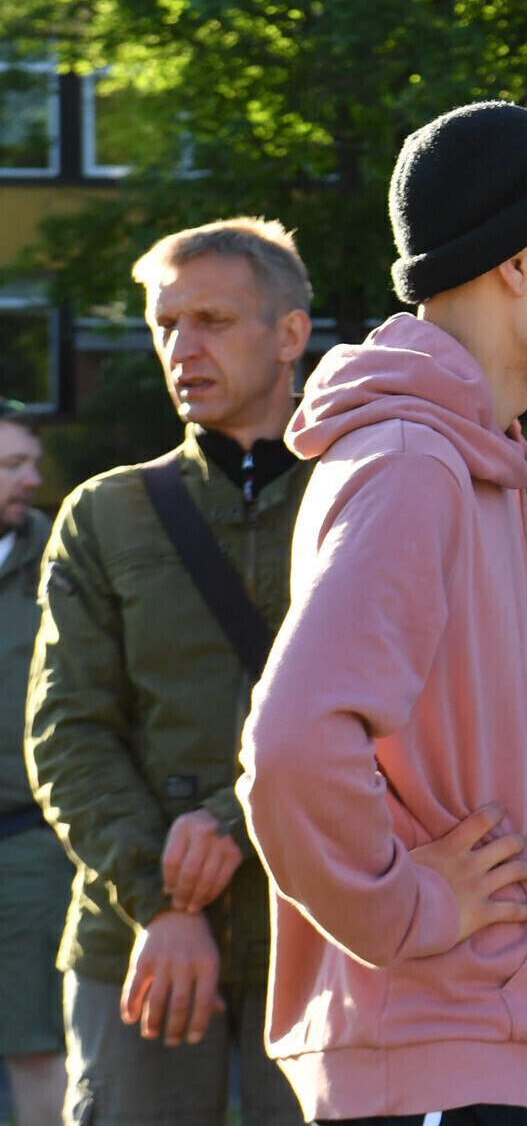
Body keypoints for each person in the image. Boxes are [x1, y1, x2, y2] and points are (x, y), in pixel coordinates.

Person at [236, 100, 527, 1125]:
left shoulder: (465, 452)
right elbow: (291, 745)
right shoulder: (413, 462)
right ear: (517, 263)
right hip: (438, 1048)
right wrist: (410, 909)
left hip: (477, 1044)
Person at [25, 218, 315, 1126]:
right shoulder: (105, 514)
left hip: (321, 929)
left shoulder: (366, 492)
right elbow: (67, 731)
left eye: (213, 320)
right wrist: (163, 904)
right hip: (138, 940)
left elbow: (399, 711)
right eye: (165, 325)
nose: (182, 347)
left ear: (290, 334)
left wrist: (228, 820)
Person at [0, 404, 65, 1126]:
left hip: (25, 848)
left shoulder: (61, 561)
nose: (31, 479)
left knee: (37, 1048)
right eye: (12, 465)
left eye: (32, 463)